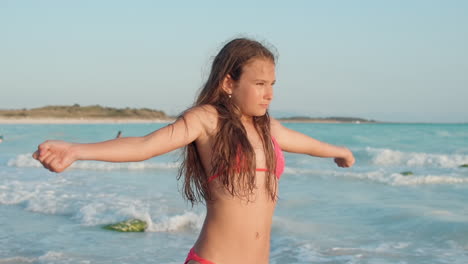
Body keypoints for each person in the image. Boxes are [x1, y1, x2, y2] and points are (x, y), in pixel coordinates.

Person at [33, 38, 355, 264]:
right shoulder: (207, 119)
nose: (269, 93)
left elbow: (308, 144)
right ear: (229, 83)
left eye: (272, 84)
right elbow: (145, 145)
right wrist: (76, 150)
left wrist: (339, 151)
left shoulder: (268, 128)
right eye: (259, 83)